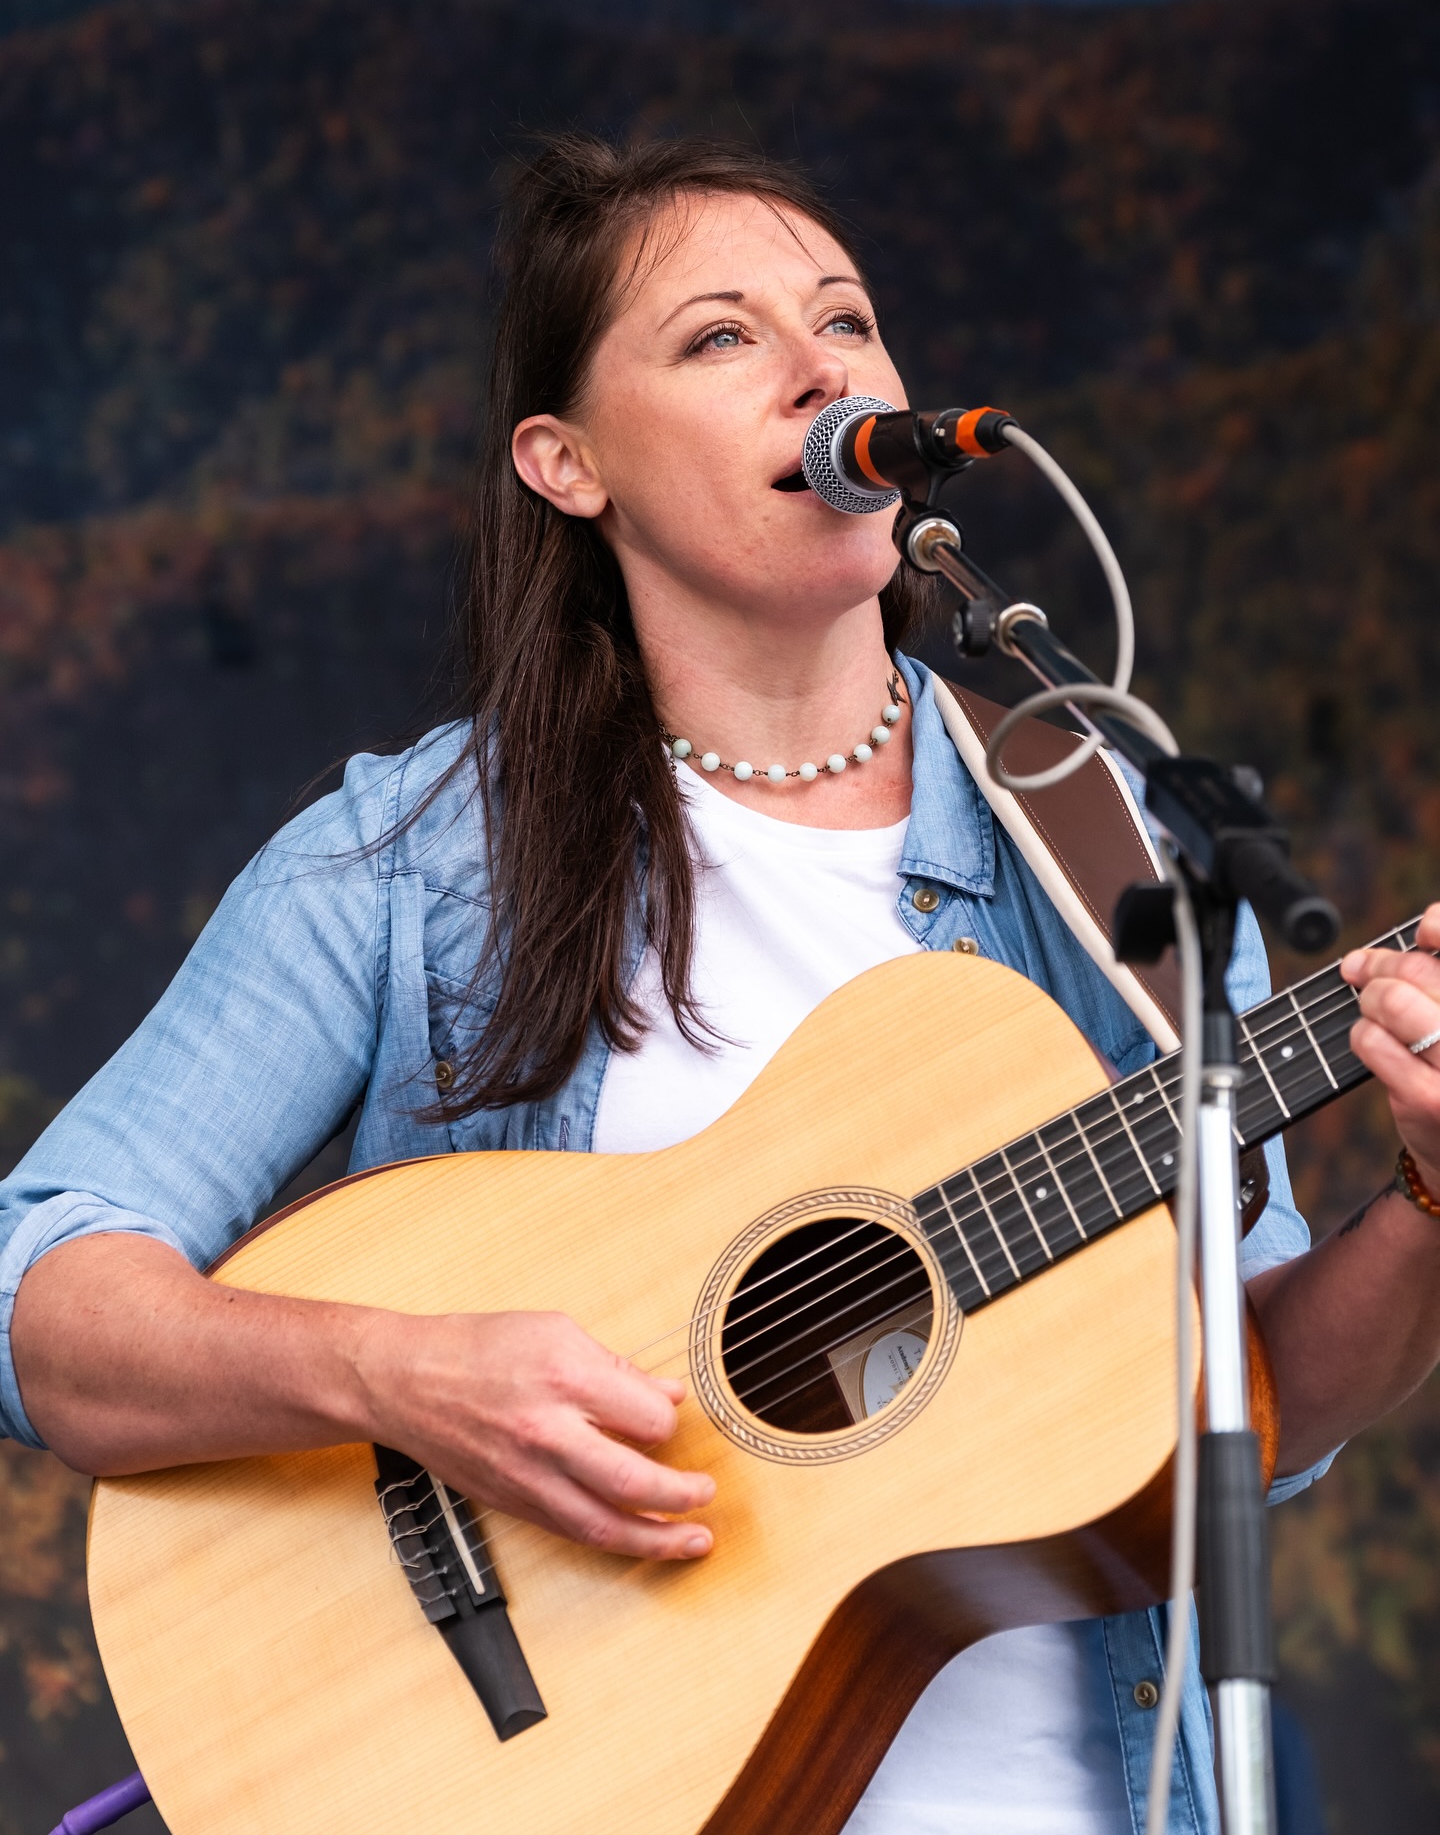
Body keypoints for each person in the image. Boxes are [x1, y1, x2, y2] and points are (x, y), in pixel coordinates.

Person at [3, 135, 1439, 1835]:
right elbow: (45, 1295)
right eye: (721, 338)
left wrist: (1427, 1202)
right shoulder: (407, 863)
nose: (826, 367)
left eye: (848, 317)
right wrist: (402, 1377)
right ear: (567, 462)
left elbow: (1255, 1407)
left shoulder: (1119, 847)